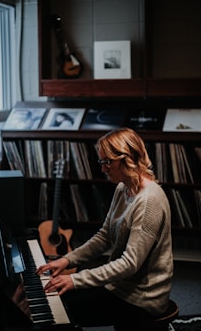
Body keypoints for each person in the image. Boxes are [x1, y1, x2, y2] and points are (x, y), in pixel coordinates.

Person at [36, 127, 173, 330]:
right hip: (120, 285)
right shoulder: (123, 188)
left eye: (108, 162)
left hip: (142, 296)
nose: (103, 169)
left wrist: (75, 279)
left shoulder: (148, 200)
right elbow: (104, 236)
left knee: (60, 308)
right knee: (53, 296)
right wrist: (67, 260)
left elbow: (130, 263)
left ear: (127, 158)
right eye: (102, 162)